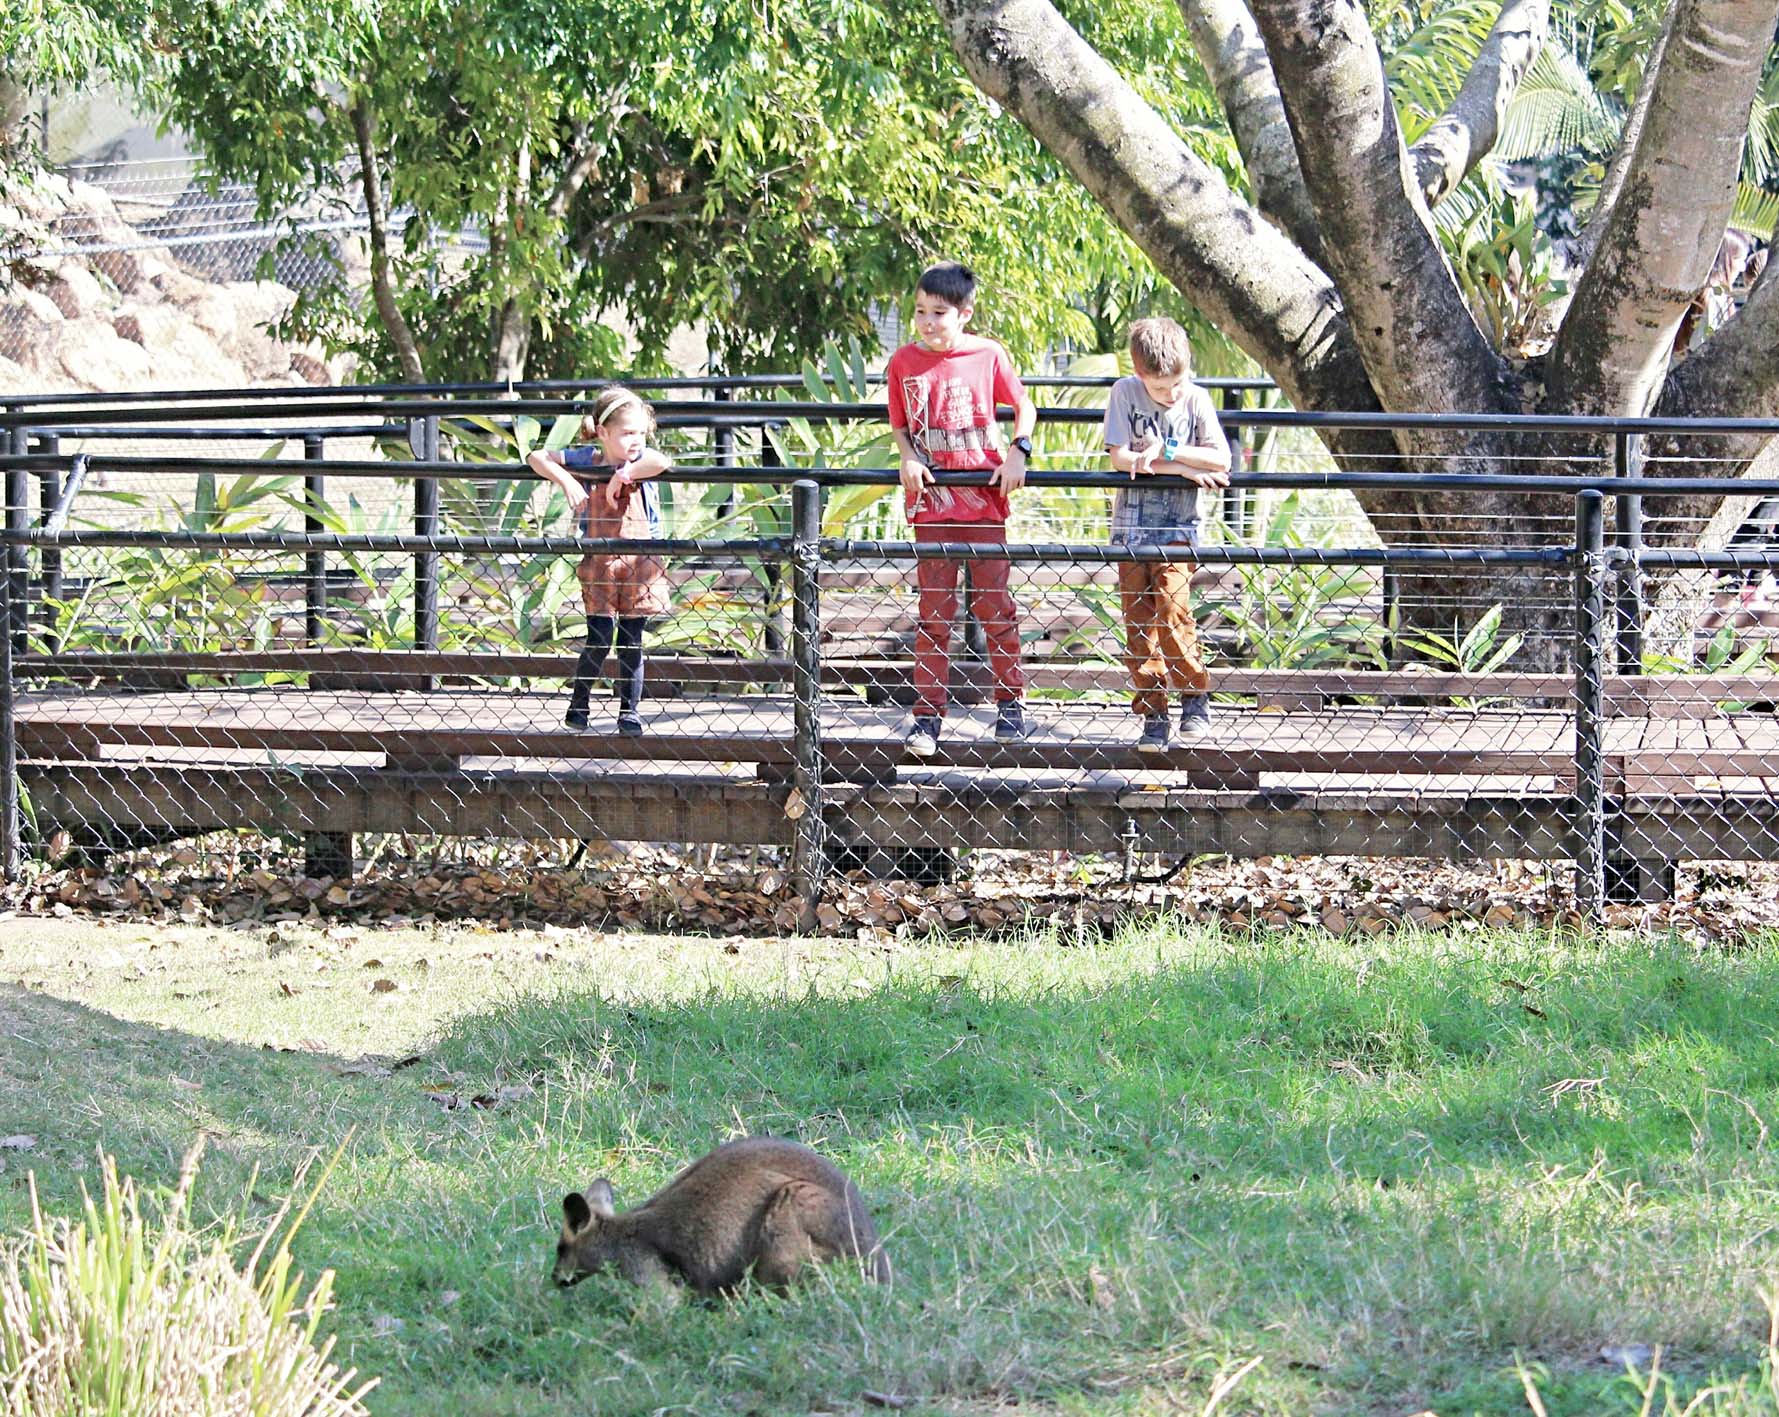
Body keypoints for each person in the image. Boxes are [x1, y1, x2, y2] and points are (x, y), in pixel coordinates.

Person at [887, 261, 1039, 758]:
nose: (928, 322)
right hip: (932, 503)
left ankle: (1010, 705)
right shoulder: (903, 362)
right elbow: (900, 426)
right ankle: (927, 715)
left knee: (995, 606)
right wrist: (908, 458)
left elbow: (1024, 405)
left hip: (984, 500)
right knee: (934, 613)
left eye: (939, 313)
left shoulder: (987, 355)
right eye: (920, 312)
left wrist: (1020, 450)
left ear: (964, 314)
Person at [1101, 317, 1231, 752]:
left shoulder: (1195, 400)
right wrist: (1183, 469)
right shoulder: (1124, 393)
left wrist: (1169, 451)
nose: (1171, 395)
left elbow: (1221, 460)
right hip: (1132, 528)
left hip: (1179, 527)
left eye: (1177, 384)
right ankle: (1154, 710)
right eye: (1160, 389)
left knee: (1174, 613)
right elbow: (1121, 457)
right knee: (1138, 624)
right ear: (1140, 376)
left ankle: (1194, 694)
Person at [526, 386, 671, 736]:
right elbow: (536, 456)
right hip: (601, 562)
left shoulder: (640, 460)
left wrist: (626, 475)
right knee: (600, 636)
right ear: (603, 432)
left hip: (639, 560)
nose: (635, 440)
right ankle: (580, 703)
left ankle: (629, 711)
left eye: (640, 432)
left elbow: (662, 460)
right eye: (627, 433)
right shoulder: (588, 460)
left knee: (631, 639)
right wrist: (565, 480)